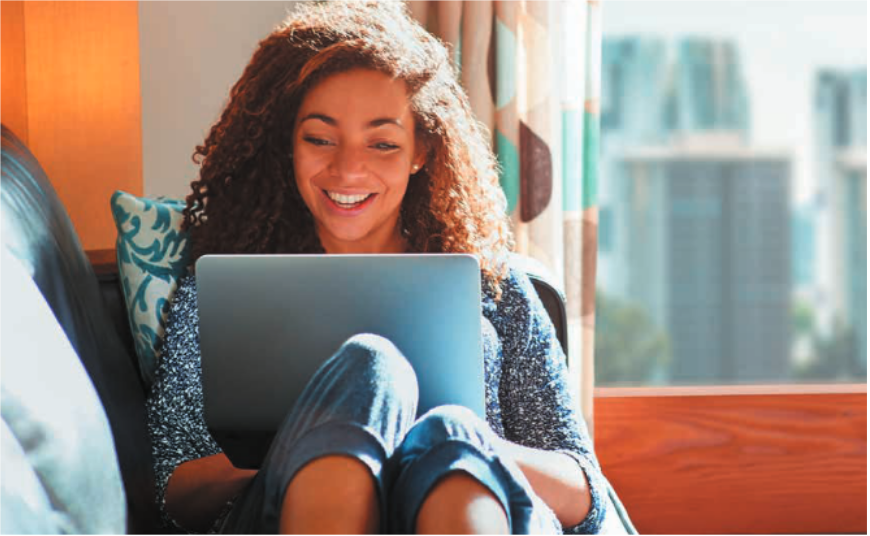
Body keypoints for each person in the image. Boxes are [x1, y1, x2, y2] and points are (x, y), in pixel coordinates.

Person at [145, 2, 609, 534]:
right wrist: (326, 429)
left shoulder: (496, 287)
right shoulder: (222, 294)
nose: (348, 169)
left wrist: (453, 439)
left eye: (383, 143)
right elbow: (174, 491)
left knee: (448, 431)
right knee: (371, 367)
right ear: (286, 145)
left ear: (421, 151)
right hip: (281, 508)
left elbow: (583, 496)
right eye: (319, 138)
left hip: (476, 498)